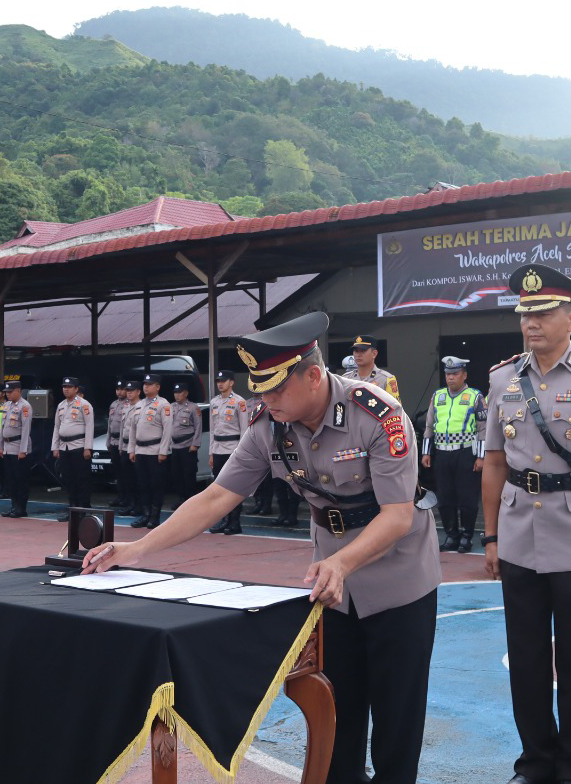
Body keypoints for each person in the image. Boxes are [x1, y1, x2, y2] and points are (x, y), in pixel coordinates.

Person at [86, 311, 439, 784]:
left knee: (398, 713)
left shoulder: (377, 413)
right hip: (331, 585)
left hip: (399, 578)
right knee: (338, 707)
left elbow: (397, 516)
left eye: (275, 388)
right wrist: (137, 549)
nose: (264, 399)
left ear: (314, 376)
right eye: (260, 389)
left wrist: (339, 562)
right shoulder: (268, 424)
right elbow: (216, 497)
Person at [481, 264, 571, 784]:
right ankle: (535, 763)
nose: (532, 324)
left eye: (544, 313)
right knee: (525, 661)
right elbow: (496, 464)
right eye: (526, 314)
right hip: (520, 535)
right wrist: (492, 535)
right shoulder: (503, 378)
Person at [421, 355, 486, 553]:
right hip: (442, 453)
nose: (450, 378)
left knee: (467, 497)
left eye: (455, 374)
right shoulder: (438, 396)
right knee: (445, 497)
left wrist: (481, 456)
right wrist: (426, 452)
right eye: (448, 374)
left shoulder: (475, 396)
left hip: (466, 453)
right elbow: (429, 426)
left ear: (464, 375)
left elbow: (483, 428)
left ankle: (466, 536)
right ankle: (451, 535)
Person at [207, 370, 252, 534]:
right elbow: (212, 430)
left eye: (224, 381)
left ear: (231, 383)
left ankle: (234, 522)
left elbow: (244, 429)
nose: (220, 383)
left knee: (233, 487)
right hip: (218, 448)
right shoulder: (214, 402)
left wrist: (242, 452)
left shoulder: (239, 402)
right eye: (218, 380)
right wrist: (211, 452)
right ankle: (224, 520)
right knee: (219, 487)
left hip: (233, 448)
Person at [125, 374, 172, 528]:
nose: (146, 387)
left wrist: (163, 451)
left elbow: (167, 430)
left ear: (157, 387)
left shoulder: (163, 404)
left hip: (155, 450)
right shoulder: (138, 405)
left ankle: (154, 516)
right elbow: (132, 429)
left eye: (150, 384)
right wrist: (131, 449)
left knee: (156, 485)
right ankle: (145, 515)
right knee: (143, 484)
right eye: (145, 384)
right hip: (140, 450)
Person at [52, 376, 95, 521]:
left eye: (69, 387)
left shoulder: (84, 405)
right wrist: (55, 446)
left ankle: (85, 509)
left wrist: (88, 447)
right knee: (69, 479)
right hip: (64, 446)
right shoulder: (61, 405)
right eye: (64, 387)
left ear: (76, 389)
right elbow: (57, 427)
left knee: (82, 479)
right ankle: (73, 509)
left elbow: (90, 427)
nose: (66, 389)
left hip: (79, 445)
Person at [0, 380, 33, 518]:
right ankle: (13, 506)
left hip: (18, 446)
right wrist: (0, 446)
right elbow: (2, 427)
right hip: (7, 447)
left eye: (10, 392)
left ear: (18, 391)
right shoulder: (7, 405)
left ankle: (21, 507)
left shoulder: (25, 407)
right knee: (10, 479)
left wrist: (23, 450)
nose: (8, 395)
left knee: (20, 479)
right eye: (6, 392)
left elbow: (25, 430)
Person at [168, 380, 202, 504]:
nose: (177, 395)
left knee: (188, 474)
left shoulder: (193, 407)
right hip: (175, 446)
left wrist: (195, 444)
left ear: (186, 393)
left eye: (179, 392)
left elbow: (198, 427)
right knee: (176, 474)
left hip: (188, 445)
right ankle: (181, 498)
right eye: (175, 392)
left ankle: (190, 500)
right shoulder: (171, 407)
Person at [341, 333, 399, 399]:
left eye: (363, 351)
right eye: (356, 351)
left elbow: (395, 407)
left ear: (374, 354)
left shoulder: (386, 379)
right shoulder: (345, 379)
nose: (358, 355)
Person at [106, 380, 133, 509]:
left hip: (124, 443)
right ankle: (121, 496)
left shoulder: (129, 405)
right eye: (117, 389)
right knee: (117, 472)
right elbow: (110, 425)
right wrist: (108, 441)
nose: (119, 392)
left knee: (126, 472)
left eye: (122, 389)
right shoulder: (113, 404)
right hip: (114, 441)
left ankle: (128, 497)